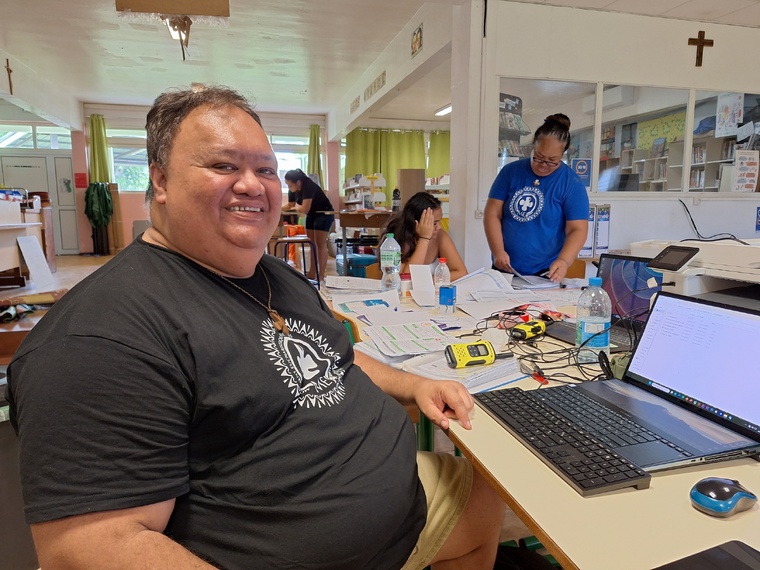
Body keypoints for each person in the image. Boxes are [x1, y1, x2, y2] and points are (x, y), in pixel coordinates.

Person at [5, 85, 505, 569]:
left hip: (403, 492)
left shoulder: (273, 274)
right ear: (159, 181)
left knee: (499, 490)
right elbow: (89, 547)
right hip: (336, 543)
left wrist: (416, 384)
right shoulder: (102, 336)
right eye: (223, 165)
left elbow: (337, 362)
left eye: (265, 169)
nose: (252, 183)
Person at [484, 113, 589, 283]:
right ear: (532, 147)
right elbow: (492, 213)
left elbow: (577, 229)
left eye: (552, 161)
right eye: (539, 157)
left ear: (562, 154)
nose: (543, 165)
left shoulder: (571, 183)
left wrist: (564, 261)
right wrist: (497, 251)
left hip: (545, 272)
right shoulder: (510, 172)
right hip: (505, 268)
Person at [381, 191, 468, 281]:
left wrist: (426, 281)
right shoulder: (396, 239)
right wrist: (424, 239)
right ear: (416, 223)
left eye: (439, 221)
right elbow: (406, 280)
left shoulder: (440, 235)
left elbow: (461, 273)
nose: (439, 227)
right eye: (434, 223)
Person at [282, 168, 335, 281]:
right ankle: (312, 272)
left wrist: (296, 207)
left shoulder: (309, 186)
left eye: (290, 185)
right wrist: (277, 208)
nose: (289, 188)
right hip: (312, 215)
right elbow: (290, 205)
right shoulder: (292, 190)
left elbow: (304, 208)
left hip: (324, 213)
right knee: (312, 243)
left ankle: (320, 275)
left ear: (298, 182)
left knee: (320, 244)